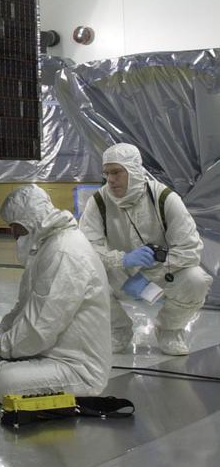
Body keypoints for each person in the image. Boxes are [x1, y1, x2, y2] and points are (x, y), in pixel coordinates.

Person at [0, 184, 111, 401]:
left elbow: (39, 329)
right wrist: (0, 335)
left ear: (30, 220)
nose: (13, 234)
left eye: (15, 227)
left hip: (76, 367)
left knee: (0, 381)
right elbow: (24, 306)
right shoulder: (47, 246)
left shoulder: (64, 252)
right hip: (50, 348)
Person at [79, 142, 212, 355]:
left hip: (163, 273)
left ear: (132, 171)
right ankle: (117, 330)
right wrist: (121, 261)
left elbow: (190, 249)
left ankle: (169, 330)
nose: (110, 180)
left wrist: (155, 272)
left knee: (196, 280)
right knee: (81, 275)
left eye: (116, 172)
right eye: (107, 173)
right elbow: (86, 249)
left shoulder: (164, 198)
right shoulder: (98, 202)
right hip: (119, 273)